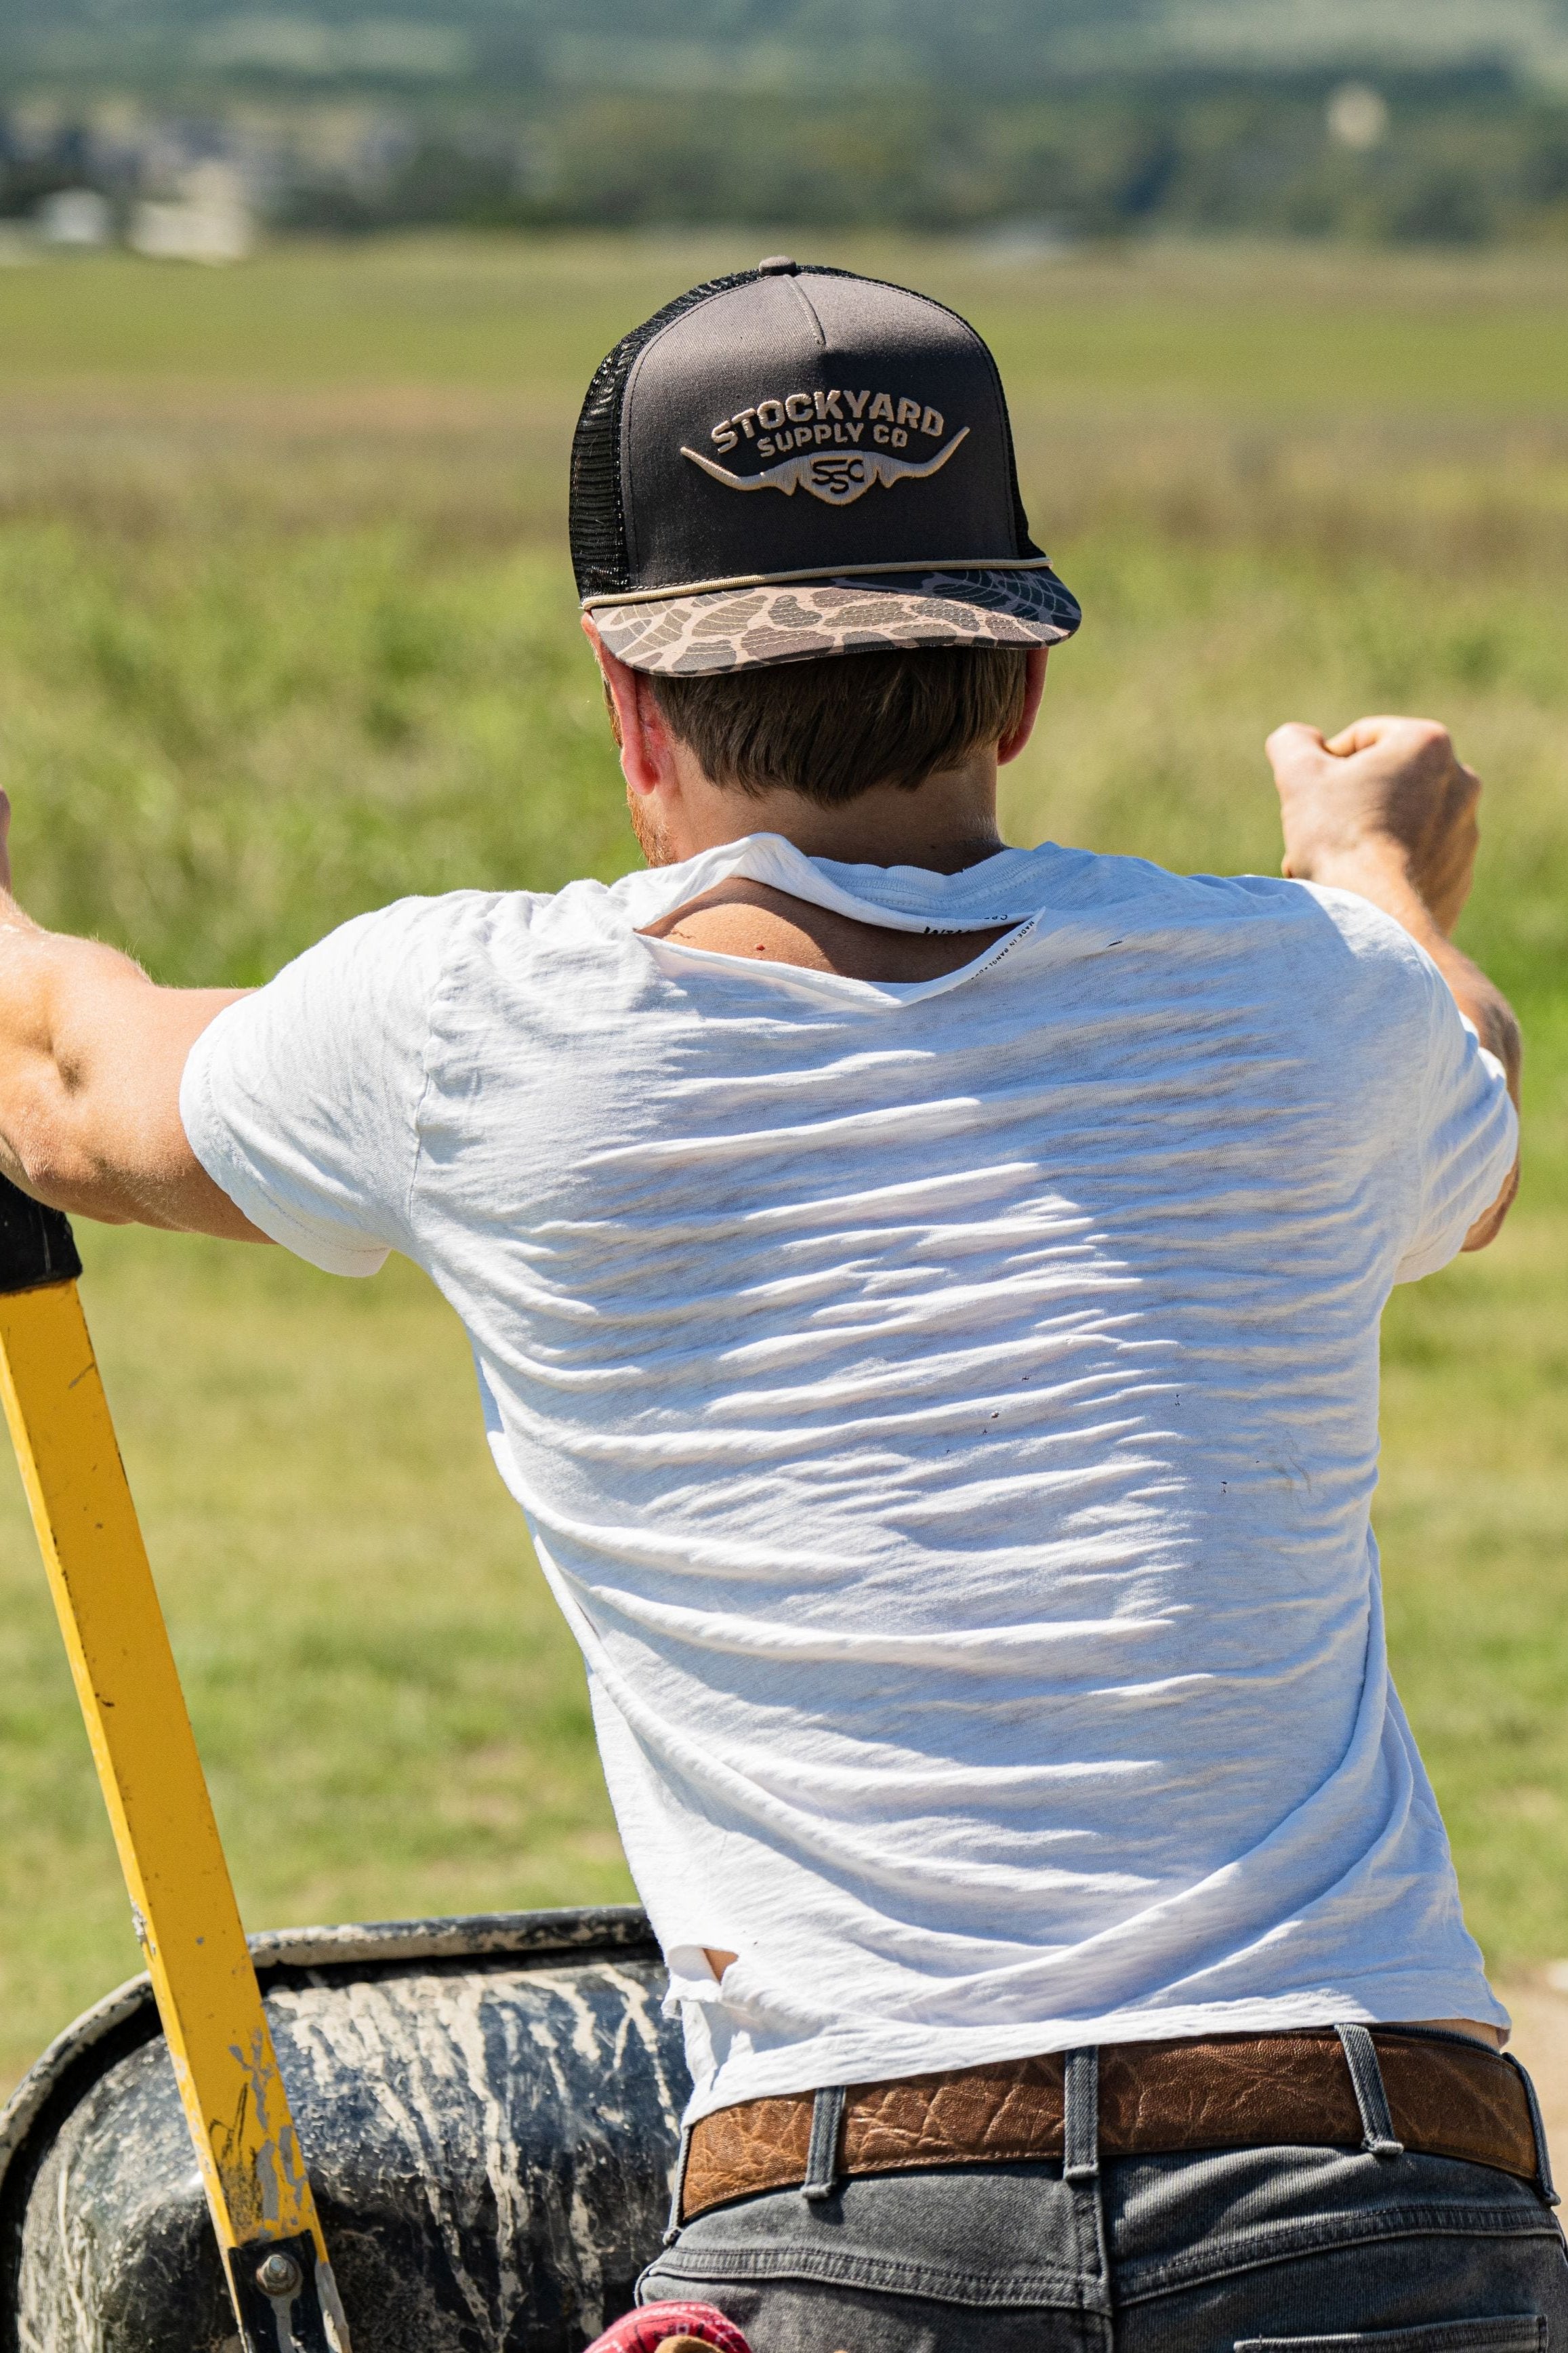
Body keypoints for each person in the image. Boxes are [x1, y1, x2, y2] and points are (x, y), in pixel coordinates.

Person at [0, 258, 1558, 2350]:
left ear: (630, 703)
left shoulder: (487, 1029)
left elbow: (72, 1086)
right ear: (1014, 688)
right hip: (1374, 2184)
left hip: (857, 2204)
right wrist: (1369, 871)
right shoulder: (1303, 999)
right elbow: (1466, 1092)